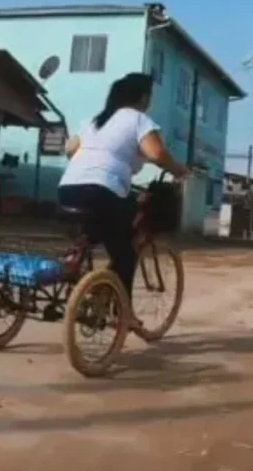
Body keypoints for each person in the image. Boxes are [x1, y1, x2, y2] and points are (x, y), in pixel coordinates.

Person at [59, 73, 189, 328]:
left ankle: (86, 276)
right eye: (149, 96)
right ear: (143, 98)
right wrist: (179, 170)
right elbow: (156, 154)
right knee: (126, 250)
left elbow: (70, 150)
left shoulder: (95, 121)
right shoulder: (138, 119)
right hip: (102, 192)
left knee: (99, 231)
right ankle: (123, 313)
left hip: (67, 190)